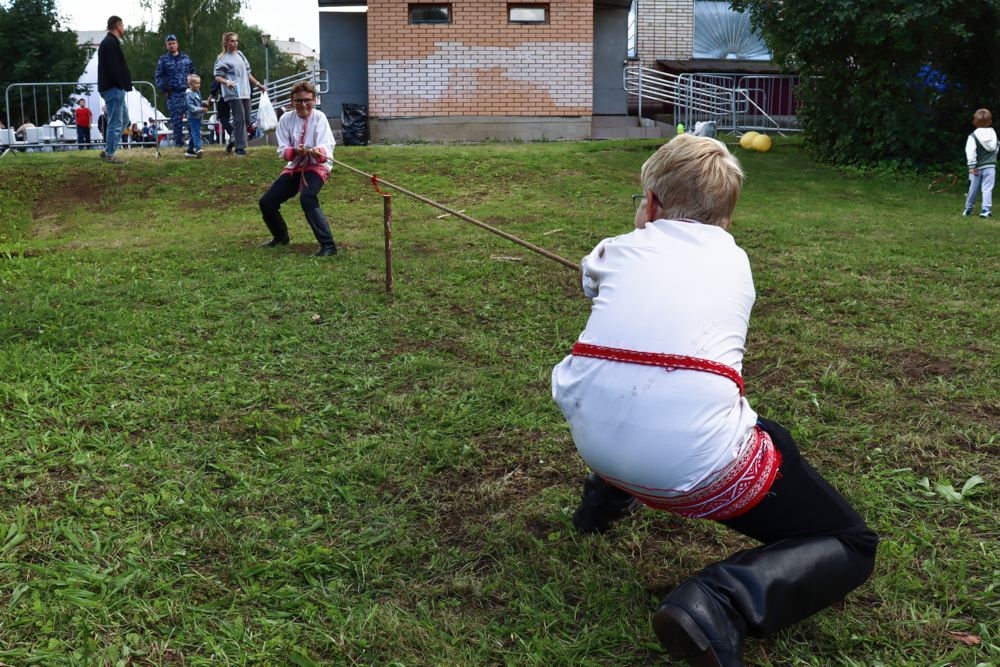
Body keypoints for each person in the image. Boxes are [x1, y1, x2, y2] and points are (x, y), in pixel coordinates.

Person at [552, 134, 878, 667]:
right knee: (849, 541)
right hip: (692, 464)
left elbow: (595, 282)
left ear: (651, 204)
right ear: (727, 215)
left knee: (650, 386)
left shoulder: (612, 250)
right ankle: (721, 600)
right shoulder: (737, 262)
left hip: (591, 436)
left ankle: (598, 507)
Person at [257, 81, 338, 257]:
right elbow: (282, 150)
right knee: (266, 202)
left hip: (317, 166)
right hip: (295, 166)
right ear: (292, 101)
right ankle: (281, 238)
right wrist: (295, 151)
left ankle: (328, 246)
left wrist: (319, 152)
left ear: (314, 100)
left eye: (307, 100)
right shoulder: (285, 119)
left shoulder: (320, 117)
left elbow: (327, 146)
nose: (303, 105)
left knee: (307, 197)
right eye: (299, 101)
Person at [213, 32, 265, 156]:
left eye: (236, 41)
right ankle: (240, 148)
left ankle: (233, 140)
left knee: (247, 119)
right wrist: (227, 82)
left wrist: (258, 84)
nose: (235, 43)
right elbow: (217, 77)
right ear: (226, 43)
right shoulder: (222, 58)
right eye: (232, 41)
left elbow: (248, 73)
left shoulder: (240, 54)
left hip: (245, 91)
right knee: (239, 118)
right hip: (232, 92)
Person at [97, 15, 132, 164]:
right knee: (116, 122)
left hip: (115, 88)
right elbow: (113, 68)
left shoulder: (110, 42)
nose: (123, 29)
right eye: (122, 26)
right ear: (117, 26)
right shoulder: (110, 43)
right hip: (113, 88)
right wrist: (120, 84)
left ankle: (107, 150)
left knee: (124, 120)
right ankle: (110, 153)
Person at [155, 34, 196, 148]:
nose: (172, 45)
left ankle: (194, 143)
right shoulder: (163, 60)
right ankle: (179, 143)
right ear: (166, 45)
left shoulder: (186, 58)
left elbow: (193, 73)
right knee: (176, 120)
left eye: (173, 43)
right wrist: (164, 90)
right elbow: (158, 76)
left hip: (187, 93)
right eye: (169, 44)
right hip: (173, 94)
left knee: (192, 117)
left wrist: (194, 88)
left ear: (177, 44)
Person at [963, 108, 997, 219]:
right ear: (990, 122)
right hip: (990, 166)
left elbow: (970, 151)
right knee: (987, 188)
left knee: (972, 188)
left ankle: (968, 209)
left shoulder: (973, 136)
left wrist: (972, 165)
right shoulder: (993, 134)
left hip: (976, 168)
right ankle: (985, 210)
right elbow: (997, 146)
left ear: (974, 122)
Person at [184, 74, 208, 158]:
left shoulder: (197, 92)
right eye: (196, 83)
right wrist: (201, 109)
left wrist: (204, 103)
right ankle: (198, 149)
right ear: (190, 84)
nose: (198, 85)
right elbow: (191, 108)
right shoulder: (189, 95)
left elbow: (198, 102)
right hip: (192, 118)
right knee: (196, 133)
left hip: (198, 117)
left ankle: (190, 150)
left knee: (193, 134)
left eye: (199, 83)